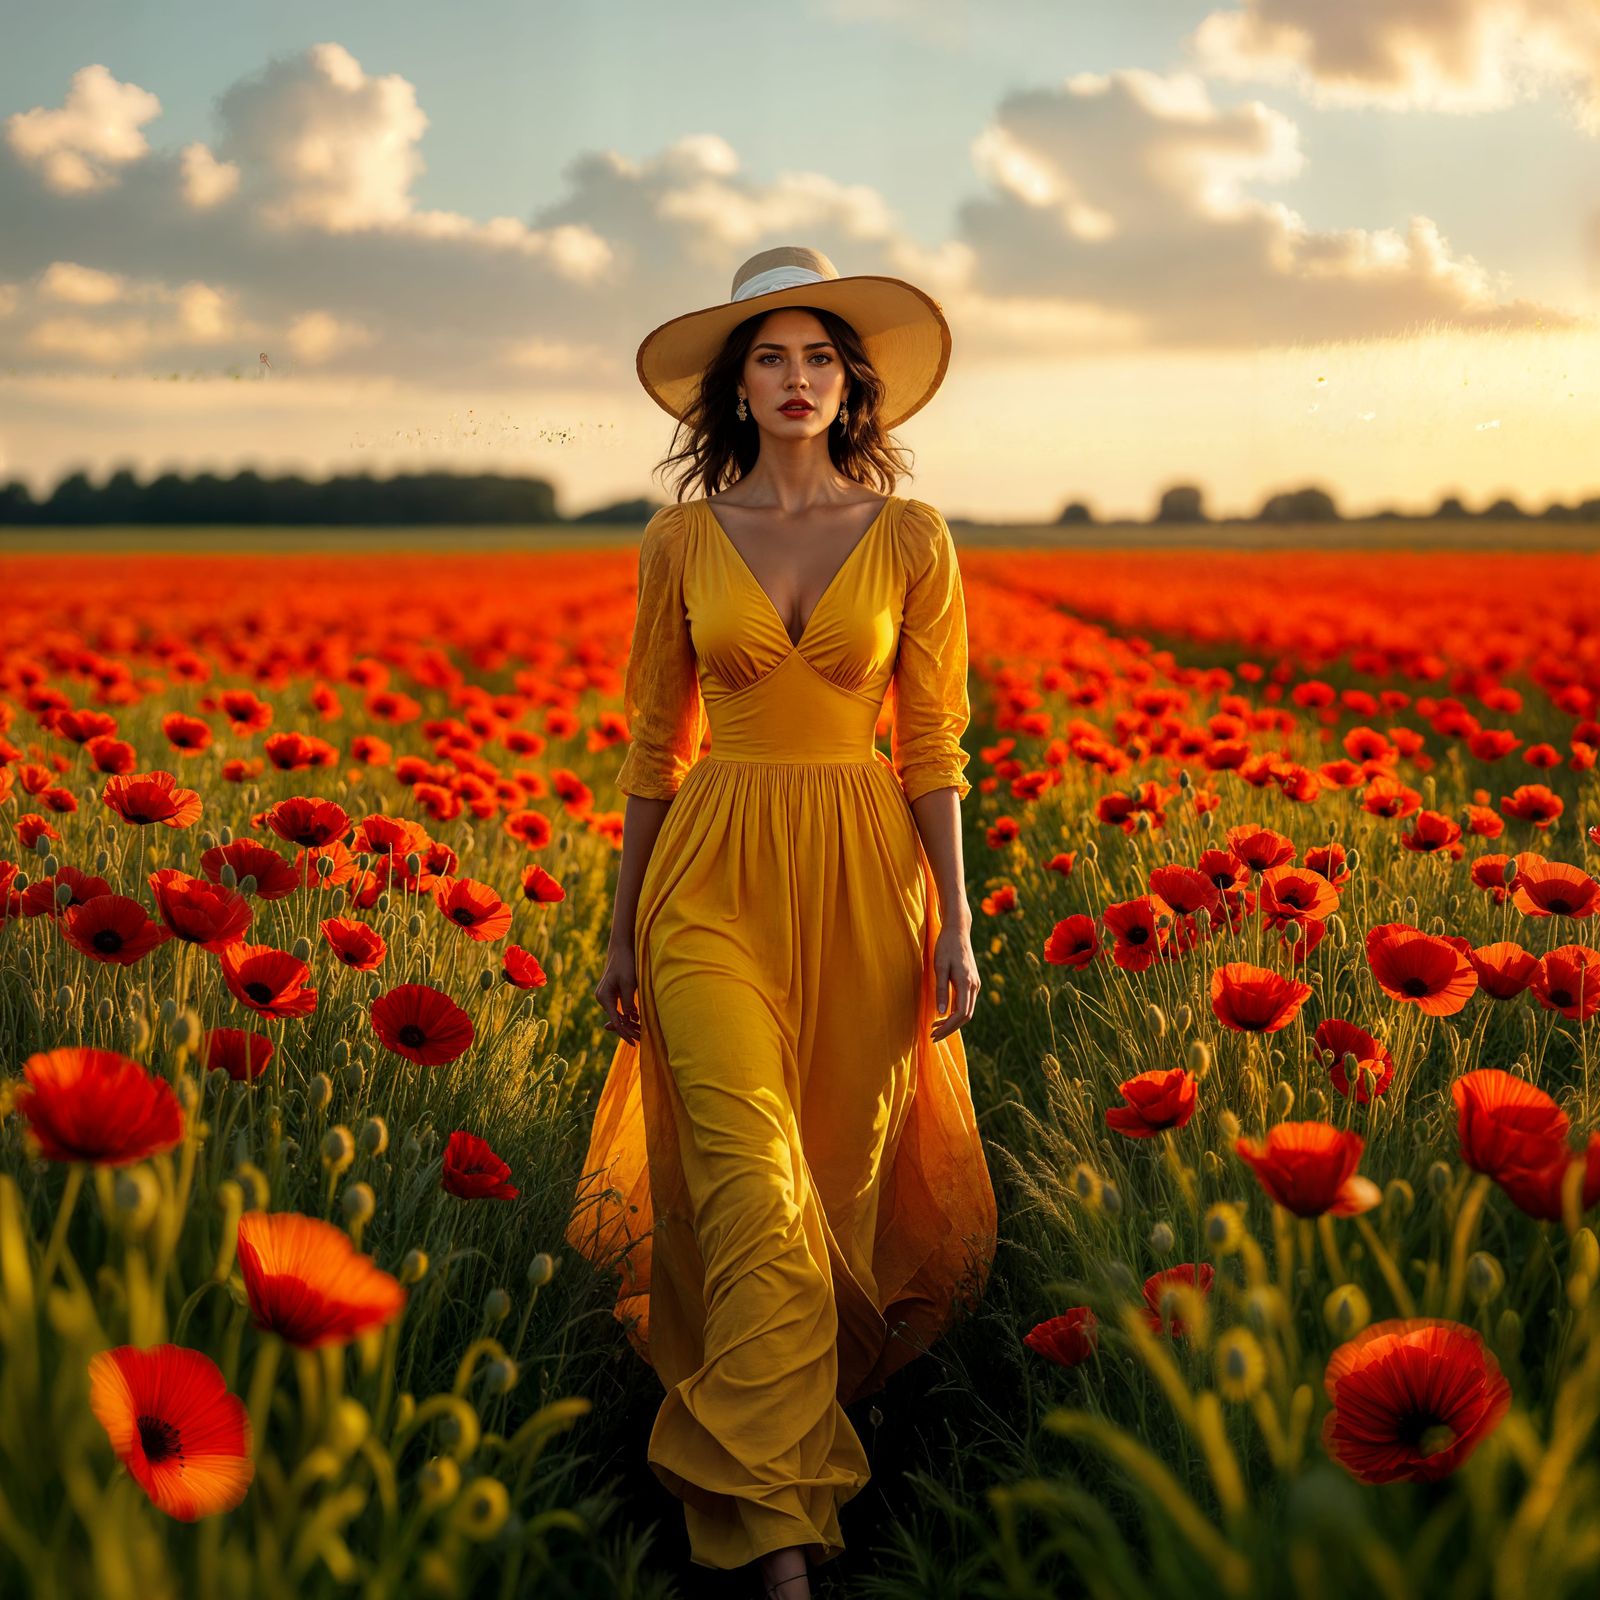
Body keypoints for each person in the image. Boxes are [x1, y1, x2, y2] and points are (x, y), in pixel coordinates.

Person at [568, 244, 997, 1600]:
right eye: (771, 356)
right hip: (710, 884)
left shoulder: (913, 537)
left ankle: (784, 1464)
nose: (798, 377)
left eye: (820, 355)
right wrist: (622, 929)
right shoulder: (682, 542)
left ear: (849, 384)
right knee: (752, 1196)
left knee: (836, 1201)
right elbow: (652, 744)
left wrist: (959, 917)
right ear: (735, 389)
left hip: (866, 882)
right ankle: (778, 1561)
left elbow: (933, 741)